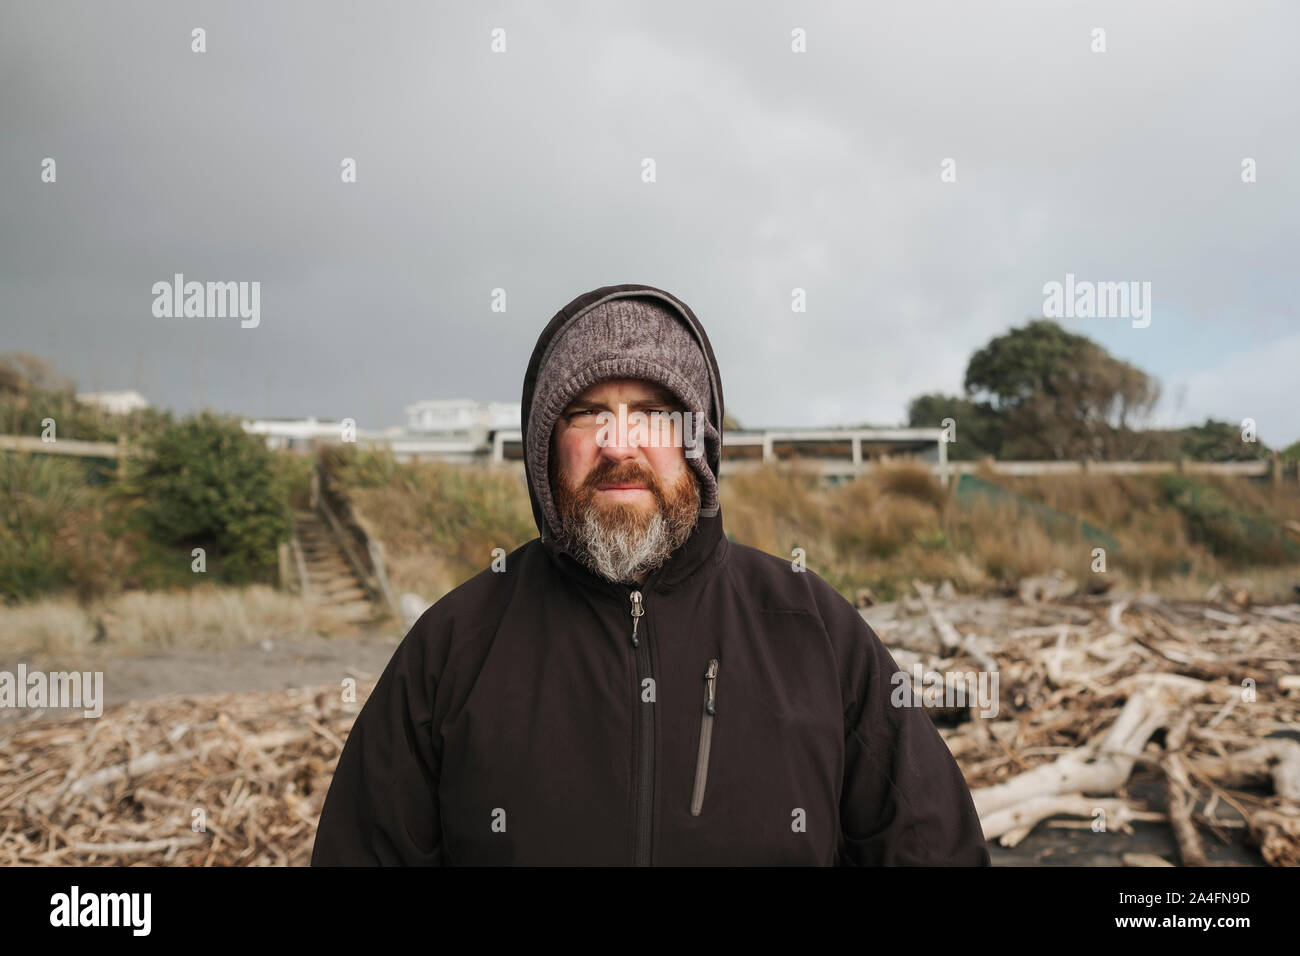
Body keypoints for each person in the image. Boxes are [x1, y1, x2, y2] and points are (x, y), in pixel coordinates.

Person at [311, 282, 990, 866]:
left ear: (699, 443)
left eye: (653, 414)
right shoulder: (454, 647)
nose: (619, 442)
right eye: (588, 413)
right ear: (547, 448)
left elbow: (933, 849)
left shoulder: (811, 630)